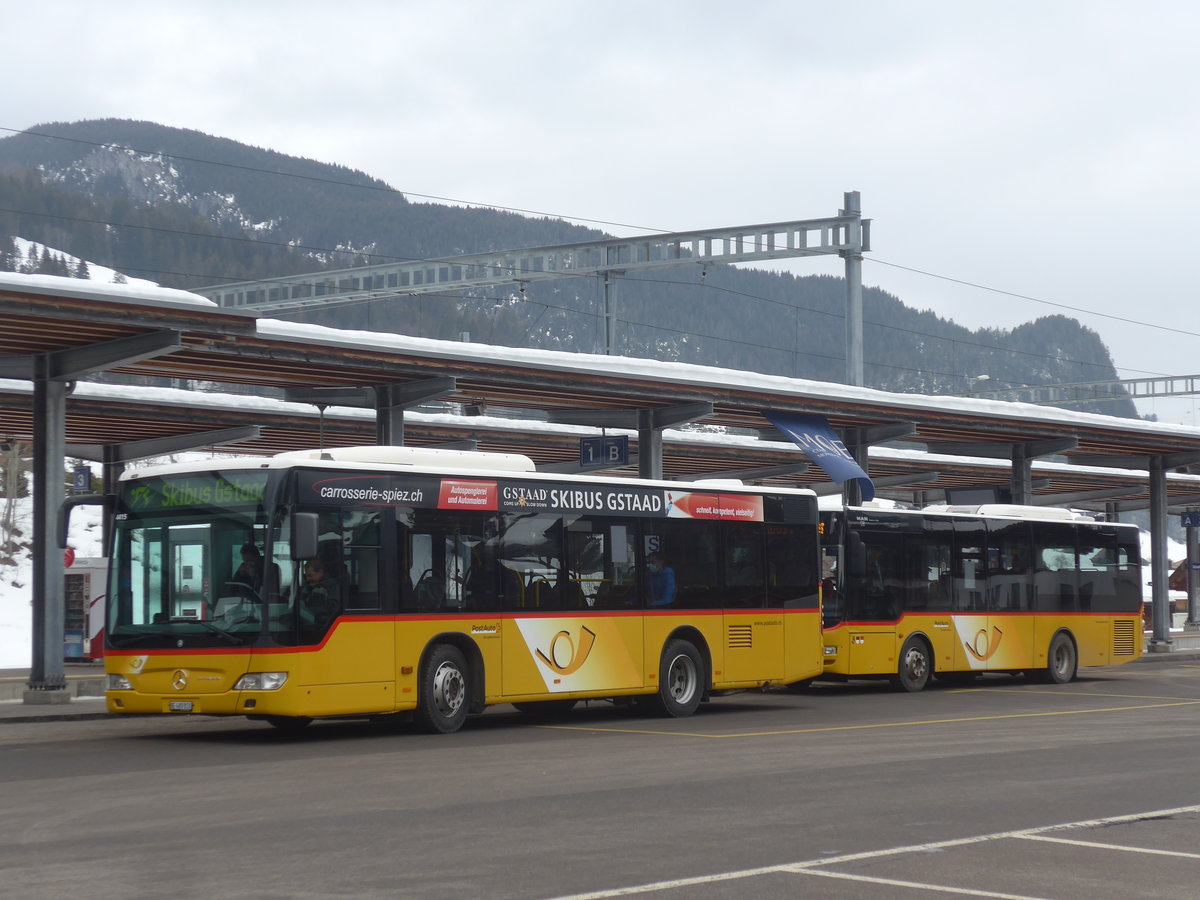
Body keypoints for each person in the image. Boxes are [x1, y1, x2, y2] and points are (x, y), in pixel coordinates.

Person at [295, 558, 342, 629]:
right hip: (307, 620)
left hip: (323, 624)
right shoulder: (307, 586)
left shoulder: (331, 586)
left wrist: (310, 610)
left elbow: (333, 607)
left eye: (310, 575)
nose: (307, 579)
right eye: (306, 576)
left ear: (320, 572)